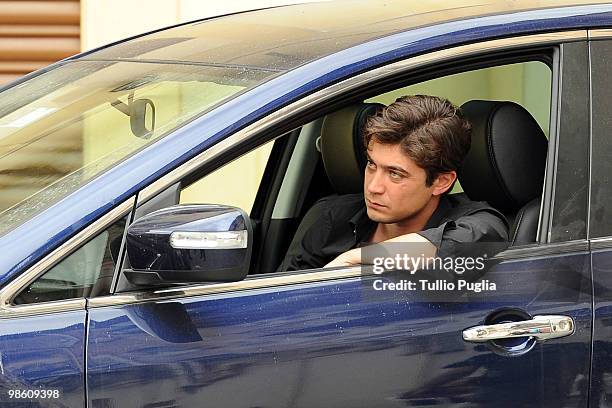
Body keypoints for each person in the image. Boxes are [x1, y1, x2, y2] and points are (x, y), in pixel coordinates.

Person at [279, 95, 509, 272]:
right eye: (372, 165)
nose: (373, 187)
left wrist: (352, 259)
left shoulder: (479, 222)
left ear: (441, 182)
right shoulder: (334, 217)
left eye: (395, 174)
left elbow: (451, 249)